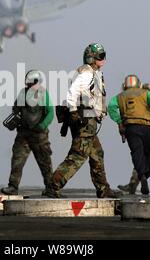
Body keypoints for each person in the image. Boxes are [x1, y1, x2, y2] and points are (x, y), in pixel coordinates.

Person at [45, 43, 121, 198]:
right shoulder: (87, 74)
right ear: (91, 58)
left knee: (97, 153)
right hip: (84, 121)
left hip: (89, 120)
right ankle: (53, 185)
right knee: (78, 155)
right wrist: (73, 112)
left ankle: (103, 189)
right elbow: (72, 93)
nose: (104, 59)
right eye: (101, 56)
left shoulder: (95, 74)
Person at [108, 75, 150, 195]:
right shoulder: (145, 93)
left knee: (137, 153)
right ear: (138, 83)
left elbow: (111, 108)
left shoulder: (119, 97)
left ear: (125, 85)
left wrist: (120, 121)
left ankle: (142, 177)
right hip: (145, 127)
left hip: (130, 128)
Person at [1, 70, 54, 196]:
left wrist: (42, 126)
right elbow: (15, 109)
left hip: (39, 134)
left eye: (32, 82)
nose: (29, 85)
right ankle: (13, 186)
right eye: (28, 83)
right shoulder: (23, 93)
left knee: (45, 162)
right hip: (24, 133)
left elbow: (50, 113)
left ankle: (51, 188)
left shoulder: (43, 94)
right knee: (17, 160)